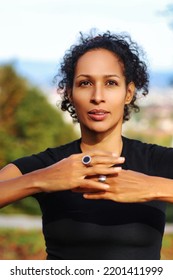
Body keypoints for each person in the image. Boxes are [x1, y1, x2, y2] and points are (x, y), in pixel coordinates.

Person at [0, 30, 173, 260]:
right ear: (70, 93)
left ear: (128, 93)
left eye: (111, 83)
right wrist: (41, 180)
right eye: (85, 83)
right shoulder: (51, 165)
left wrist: (153, 187)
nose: (97, 96)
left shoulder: (157, 161)